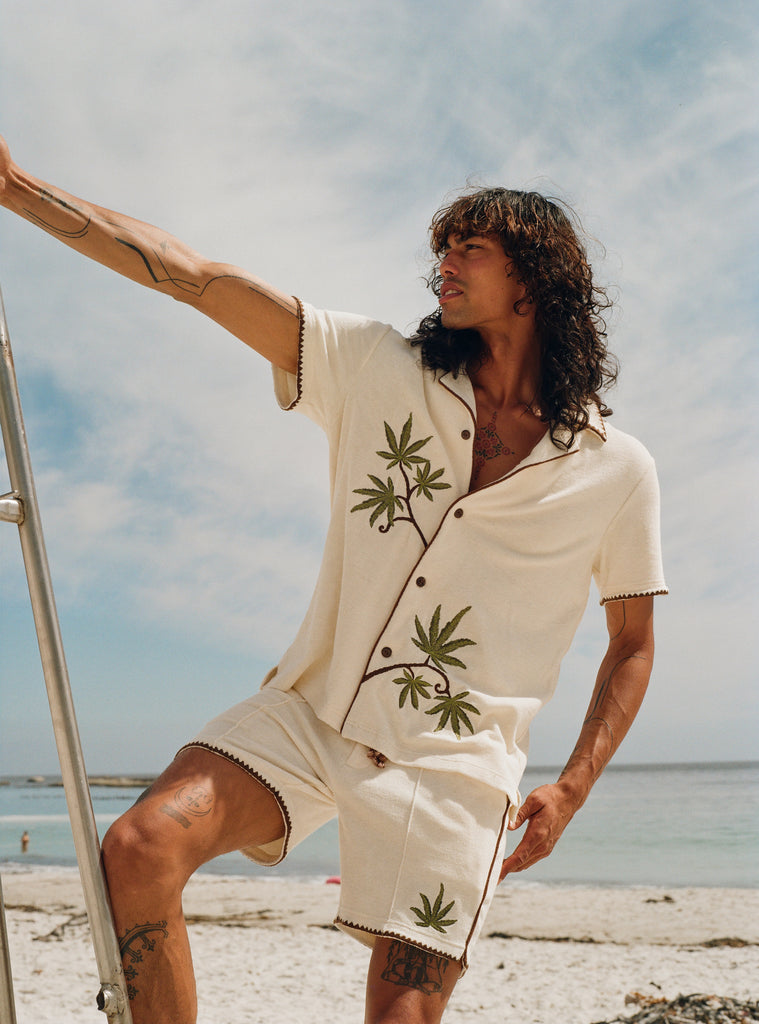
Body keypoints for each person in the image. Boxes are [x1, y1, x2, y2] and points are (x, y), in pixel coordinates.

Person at [0, 135, 667, 1024]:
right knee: (140, 843)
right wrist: (16, 189)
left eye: (470, 247)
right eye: (441, 246)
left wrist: (574, 785)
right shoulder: (373, 366)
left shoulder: (615, 468)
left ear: (535, 277)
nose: (444, 264)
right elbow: (194, 277)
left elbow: (630, 645)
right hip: (309, 711)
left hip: (453, 772)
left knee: (400, 1017)